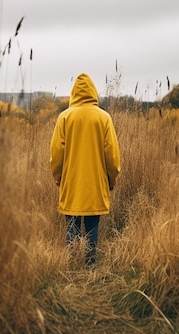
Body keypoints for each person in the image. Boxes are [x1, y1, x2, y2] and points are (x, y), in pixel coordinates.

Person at [50, 73, 121, 268]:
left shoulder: (64, 117)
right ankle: (90, 265)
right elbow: (112, 157)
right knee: (92, 225)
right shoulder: (104, 118)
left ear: (74, 93)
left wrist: (59, 179)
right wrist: (111, 180)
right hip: (95, 183)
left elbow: (56, 155)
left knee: (71, 225)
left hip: (71, 183)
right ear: (93, 93)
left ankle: (72, 265)